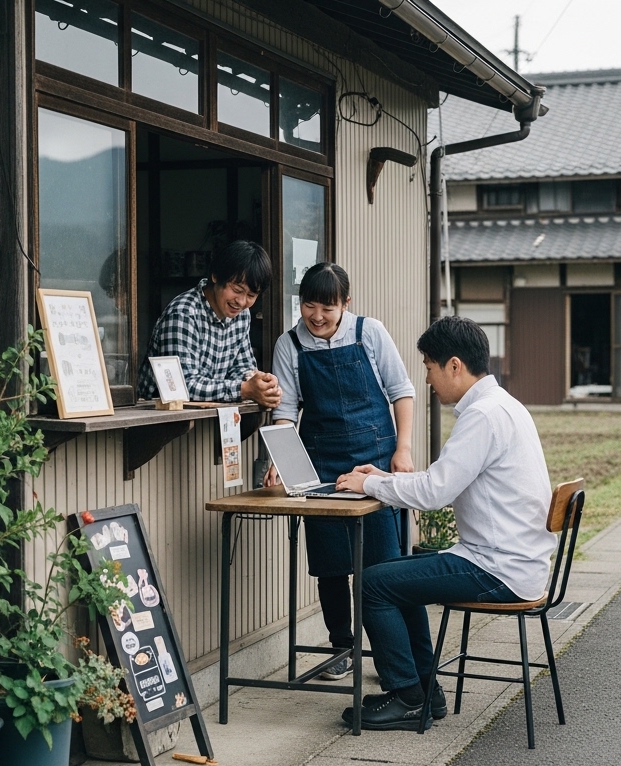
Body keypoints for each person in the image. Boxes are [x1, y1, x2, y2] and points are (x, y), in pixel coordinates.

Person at [331, 317, 555, 731]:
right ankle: (423, 690)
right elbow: (441, 480)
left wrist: (373, 485)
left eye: (429, 367)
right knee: (394, 576)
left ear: (454, 366)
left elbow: (436, 493)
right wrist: (382, 480)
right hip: (510, 559)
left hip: (497, 567)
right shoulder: (504, 405)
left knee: (370, 583)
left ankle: (406, 695)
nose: (428, 379)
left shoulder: (483, 416)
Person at [262, 263, 415, 680]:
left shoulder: (370, 332)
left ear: (346, 303)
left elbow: (401, 390)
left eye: (327, 307)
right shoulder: (289, 344)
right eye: (309, 305)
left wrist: (402, 450)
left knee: (382, 564)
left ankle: (392, 657)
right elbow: (286, 410)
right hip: (321, 462)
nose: (317, 316)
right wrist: (281, 458)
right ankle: (341, 648)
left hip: (376, 459)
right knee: (330, 563)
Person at [137, 239, 282, 407]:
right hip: (156, 417)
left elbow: (242, 367)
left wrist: (262, 384)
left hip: (205, 418)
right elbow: (181, 387)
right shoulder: (184, 314)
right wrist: (244, 389)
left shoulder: (242, 315)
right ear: (215, 276)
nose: (241, 302)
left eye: (251, 295)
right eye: (237, 290)